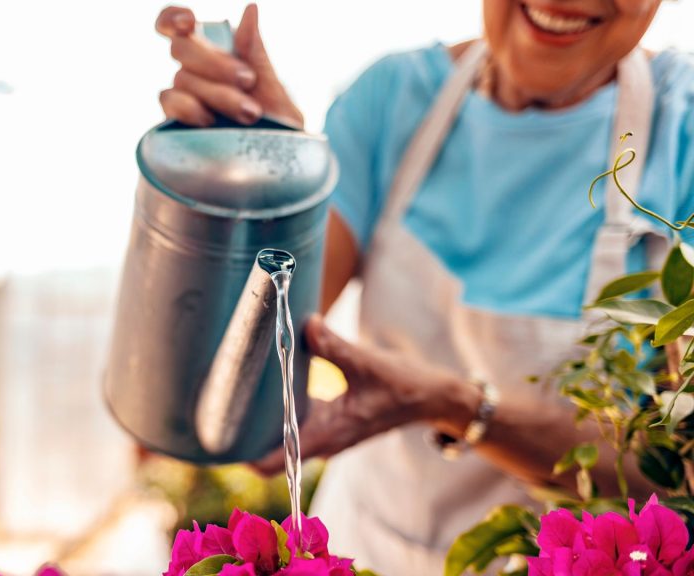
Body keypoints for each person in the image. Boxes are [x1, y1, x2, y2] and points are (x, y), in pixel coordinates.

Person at [155, 2, 694, 573]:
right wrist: (270, 172)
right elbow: (255, 361)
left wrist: (458, 408)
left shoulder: (680, 130)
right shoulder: (392, 100)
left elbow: (681, 473)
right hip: (367, 538)